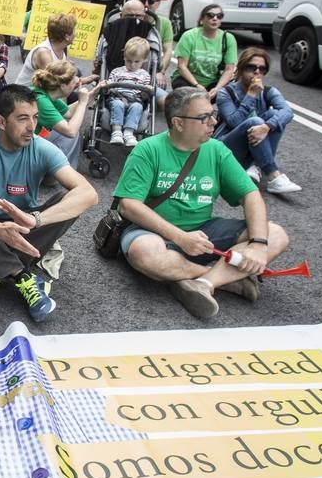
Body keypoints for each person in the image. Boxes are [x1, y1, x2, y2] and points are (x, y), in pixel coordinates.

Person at [114, 86, 291, 319]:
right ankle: (225, 279)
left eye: (212, 114)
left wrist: (258, 244)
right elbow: (129, 205)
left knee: (275, 235)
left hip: (204, 232)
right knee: (145, 254)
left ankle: (203, 283)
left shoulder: (217, 150)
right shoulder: (147, 150)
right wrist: (180, 237)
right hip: (152, 232)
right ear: (178, 123)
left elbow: (251, 195)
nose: (214, 122)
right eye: (203, 117)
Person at [0, 84, 99, 322]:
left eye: (35, 117)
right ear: (1, 122)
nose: (32, 127)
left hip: (25, 230)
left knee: (69, 199)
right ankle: (22, 275)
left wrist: (36, 219)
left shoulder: (42, 148)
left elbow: (89, 193)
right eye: (23, 119)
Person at [213, 47, 301, 194]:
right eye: (251, 67)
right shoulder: (225, 93)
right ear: (240, 69)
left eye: (262, 69)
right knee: (255, 121)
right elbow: (234, 122)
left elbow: (288, 112)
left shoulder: (268, 91)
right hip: (225, 146)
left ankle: (255, 166)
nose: (256, 72)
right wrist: (251, 94)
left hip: (251, 146)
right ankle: (273, 175)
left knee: (274, 114)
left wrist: (267, 126)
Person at [31, 61, 90, 166]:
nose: (75, 86)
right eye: (74, 83)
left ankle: (58, 170)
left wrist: (94, 92)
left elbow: (69, 112)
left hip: (29, 137)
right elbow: (70, 131)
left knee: (69, 131)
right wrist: (83, 103)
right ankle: (60, 172)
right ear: (63, 85)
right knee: (71, 134)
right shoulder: (41, 101)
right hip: (22, 146)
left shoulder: (46, 92)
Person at [100, 36, 155, 146]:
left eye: (136, 62)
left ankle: (129, 132)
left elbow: (144, 96)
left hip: (135, 100)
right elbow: (109, 87)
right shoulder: (117, 71)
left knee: (137, 107)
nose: (132, 65)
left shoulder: (145, 75)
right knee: (118, 104)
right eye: (129, 61)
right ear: (124, 57)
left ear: (144, 60)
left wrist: (147, 91)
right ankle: (116, 132)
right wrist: (107, 87)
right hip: (117, 97)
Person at [174, 3, 237, 98]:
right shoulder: (189, 36)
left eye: (219, 16)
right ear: (202, 20)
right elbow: (182, 66)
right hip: (189, 80)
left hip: (213, 83)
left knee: (231, 88)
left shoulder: (228, 38)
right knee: (185, 92)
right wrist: (196, 85)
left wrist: (217, 88)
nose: (215, 18)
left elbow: (229, 69)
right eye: (210, 15)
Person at [16, 12, 74, 84]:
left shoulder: (61, 48)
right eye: (73, 31)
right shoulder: (44, 53)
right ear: (66, 37)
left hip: (45, 91)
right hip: (26, 93)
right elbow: (57, 82)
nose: (75, 34)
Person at [138, 0, 175, 99]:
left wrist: (160, 72)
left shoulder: (164, 23)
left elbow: (168, 51)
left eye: (151, 2)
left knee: (164, 95)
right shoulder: (132, 17)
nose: (146, 4)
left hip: (151, 68)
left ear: (158, 3)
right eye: (143, 1)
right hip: (131, 66)